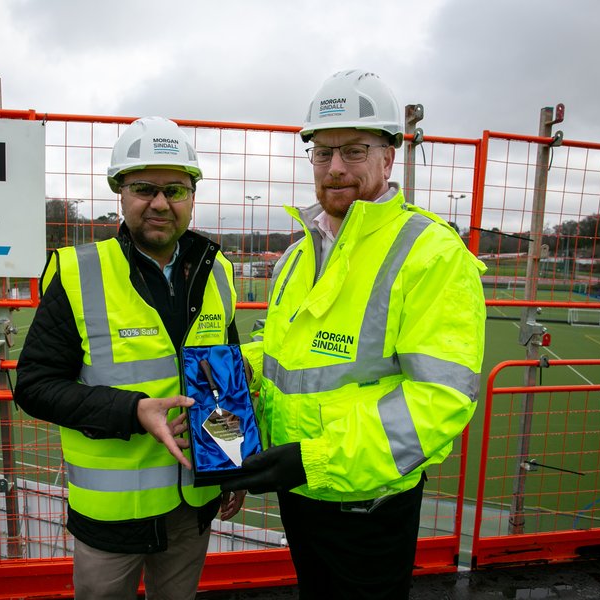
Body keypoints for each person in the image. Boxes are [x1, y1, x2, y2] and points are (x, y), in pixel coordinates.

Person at [223, 70, 487, 599]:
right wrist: (234, 364)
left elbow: (439, 400)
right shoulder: (299, 254)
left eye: (354, 151)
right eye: (322, 152)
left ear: (388, 158)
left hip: (367, 503)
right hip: (298, 488)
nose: (335, 167)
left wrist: (312, 459)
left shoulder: (431, 254)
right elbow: (286, 353)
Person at [14, 116, 246, 600]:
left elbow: (227, 380)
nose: (161, 203)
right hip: (113, 517)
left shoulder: (217, 271)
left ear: (191, 196)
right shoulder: (78, 272)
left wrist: (232, 465)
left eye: (176, 190)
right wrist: (133, 411)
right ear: (120, 191)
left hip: (193, 502)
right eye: (144, 188)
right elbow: (34, 387)